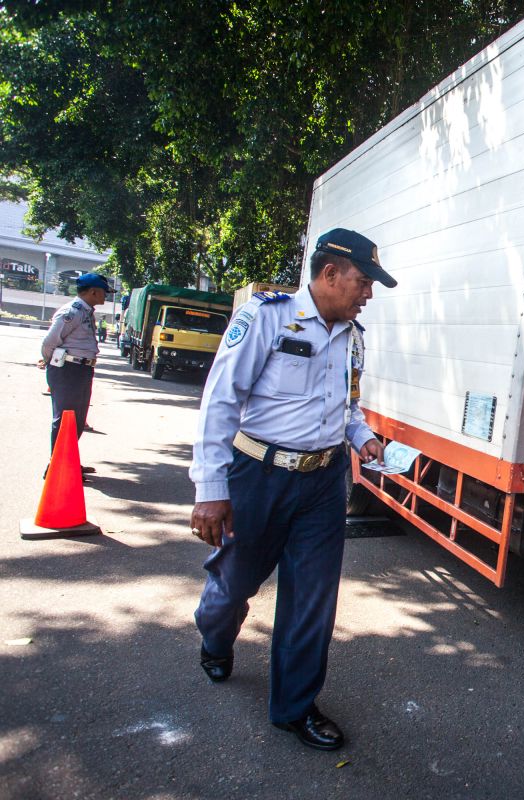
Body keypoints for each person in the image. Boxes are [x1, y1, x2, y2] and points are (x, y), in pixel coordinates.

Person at [189, 228, 393, 751]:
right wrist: (211, 487)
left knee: (313, 600)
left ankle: (295, 707)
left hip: (325, 482)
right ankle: (215, 633)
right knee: (234, 583)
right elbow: (221, 399)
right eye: (363, 281)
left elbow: (347, 408)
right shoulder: (266, 317)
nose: (367, 293)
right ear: (329, 274)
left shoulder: (353, 336)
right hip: (259, 476)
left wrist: (364, 438)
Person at [40, 272, 111, 470]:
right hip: (68, 370)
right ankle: (56, 467)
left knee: (77, 420)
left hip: (81, 370)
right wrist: (48, 360)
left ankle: (68, 463)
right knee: (65, 420)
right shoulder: (72, 311)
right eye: (104, 292)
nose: (106, 296)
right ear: (93, 291)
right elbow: (50, 342)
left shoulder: (86, 311)